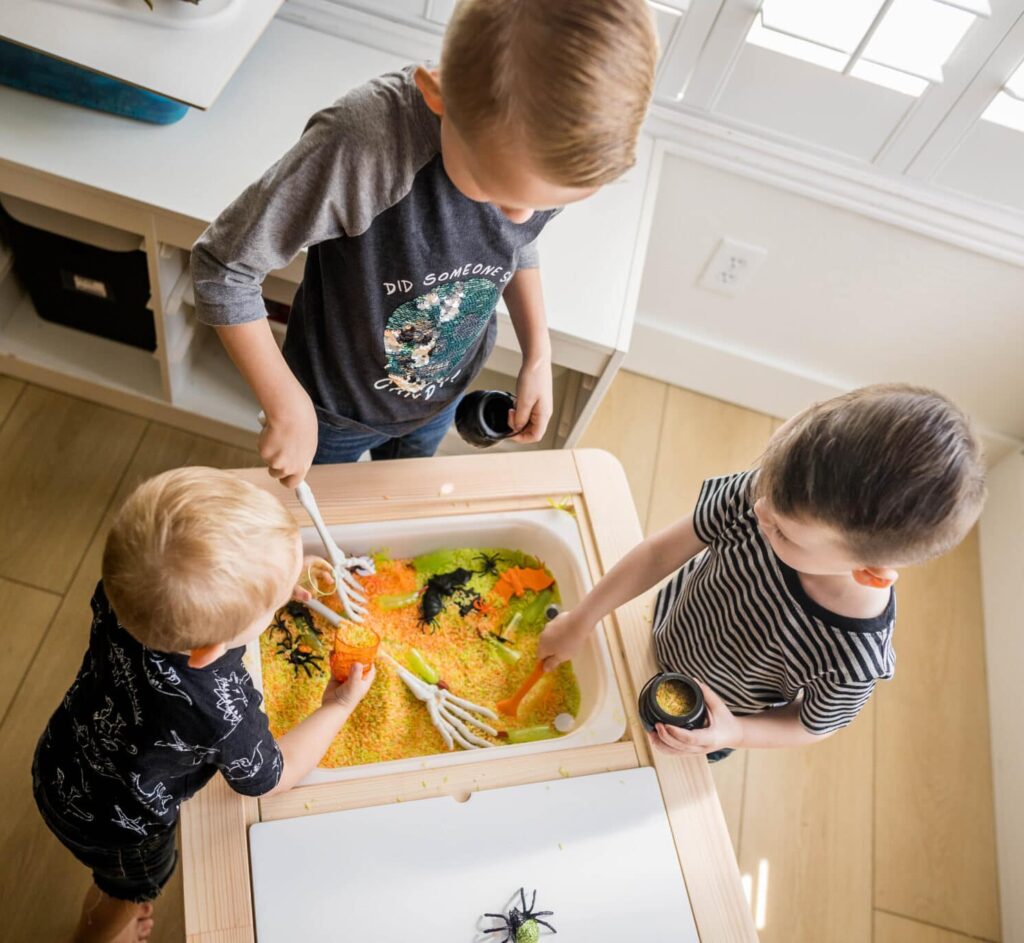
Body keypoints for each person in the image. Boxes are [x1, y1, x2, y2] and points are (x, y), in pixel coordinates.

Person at [191, 0, 658, 482]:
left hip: (441, 394)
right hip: (332, 411)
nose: (520, 217)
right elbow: (223, 269)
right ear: (438, 96)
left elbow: (516, 241)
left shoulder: (530, 164)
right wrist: (286, 406)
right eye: (498, 193)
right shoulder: (365, 144)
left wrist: (538, 353)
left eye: (542, 206)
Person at [538, 384, 986, 761]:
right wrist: (583, 618)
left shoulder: (853, 659)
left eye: (784, 534)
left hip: (710, 715)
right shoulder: (772, 495)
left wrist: (733, 733)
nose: (758, 513)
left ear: (869, 574)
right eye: (763, 497)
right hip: (658, 623)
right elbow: (660, 553)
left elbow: (812, 726)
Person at [31, 468, 375, 942]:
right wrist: (337, 707)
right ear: (210, 651)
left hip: (61, 758)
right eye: (274, 608)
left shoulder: (124, 590)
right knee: (128, 889)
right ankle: (101, 931)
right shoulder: (218, 705)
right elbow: (268, 777)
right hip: (123, 826)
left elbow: (190, 582)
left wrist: (265, 585)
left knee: (114, 872)